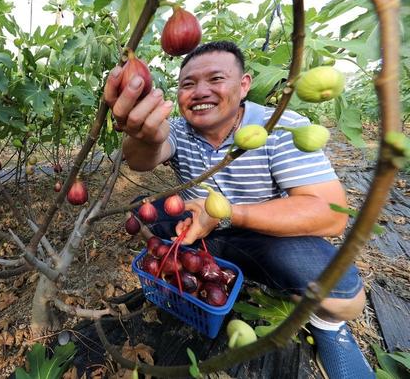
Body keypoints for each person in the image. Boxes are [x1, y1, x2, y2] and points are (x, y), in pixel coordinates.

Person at [103, 41, 374, 379]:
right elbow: (141, 159)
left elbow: (331, 215)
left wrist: (228, 213)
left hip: (262, 232)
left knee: (347, 298)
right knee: (142, 213)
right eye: (188, 84)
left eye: (216, 79)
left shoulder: (278, 127)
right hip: (200, 224)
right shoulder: (178, 130)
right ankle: (208, 268)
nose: (200, 91)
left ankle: (326, 325)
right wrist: (143, 135)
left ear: (244, 85)